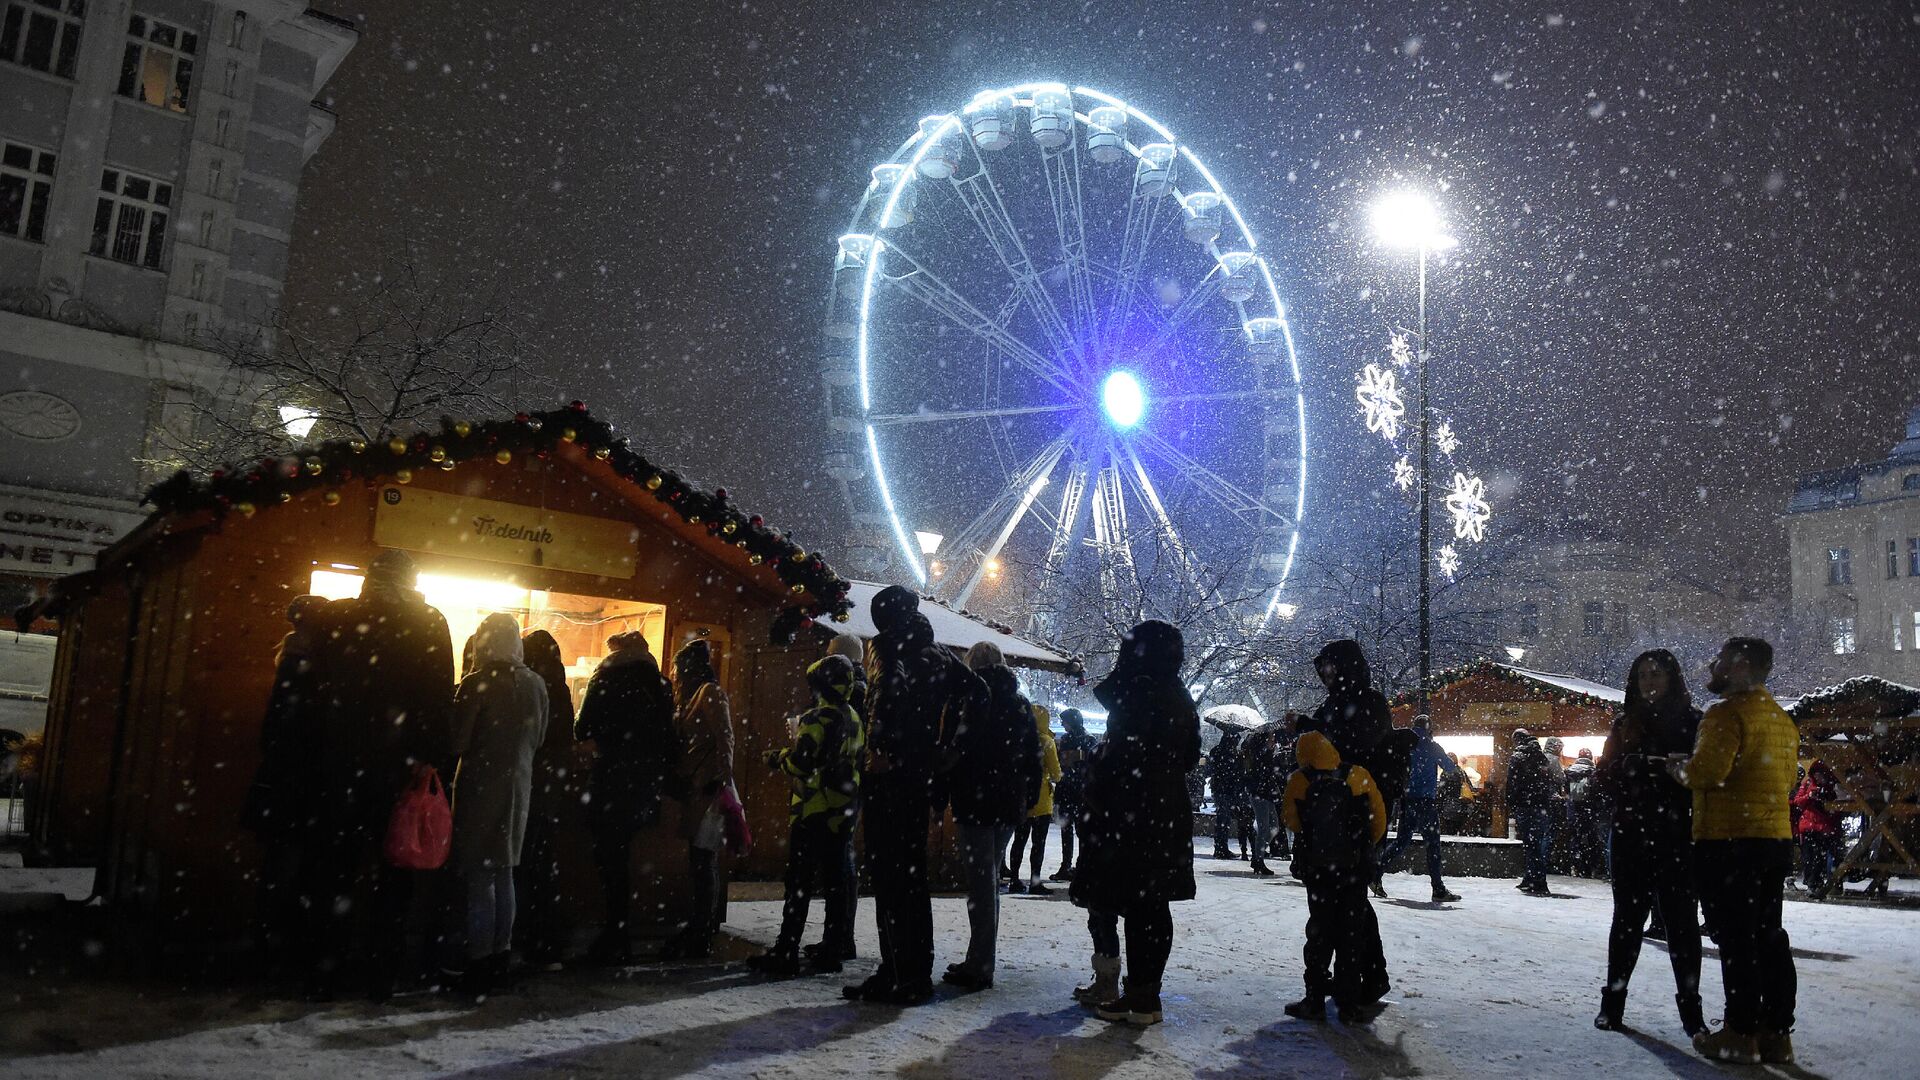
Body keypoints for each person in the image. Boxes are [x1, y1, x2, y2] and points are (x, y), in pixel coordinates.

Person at [306, 549, 455, 1001]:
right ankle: (382, 971)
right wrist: (429, 758)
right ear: (412, 579)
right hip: (401, 767)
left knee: (336, 867)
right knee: (397, 869)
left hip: (340, 761)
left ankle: (326, 969)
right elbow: (437, 695)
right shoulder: (428, 621)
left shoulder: (338, 617)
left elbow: (315, 689)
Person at [845, 589, 980, 1006]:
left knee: (889, 876)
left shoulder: (887, 645)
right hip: (919, 774)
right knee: (911, 877)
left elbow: (884, 693)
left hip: (891, 776)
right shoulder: (937, 651)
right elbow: (978, 693)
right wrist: (948, 747)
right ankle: (913, 970)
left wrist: (883, 748)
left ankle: (898, 973)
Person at [1671, 637, 1799, 1065]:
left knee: (1735, 939)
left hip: (1729, 840)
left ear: (1740, 666)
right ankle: (1776, 1032)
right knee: (1769, 936)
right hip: (1773, 838)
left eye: (1721, 659)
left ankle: (1739, 1033)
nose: (1713, 664)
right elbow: (1786, 782)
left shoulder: (1725, 714)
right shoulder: (1780, 718)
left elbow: (1709, 771)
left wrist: (1678, 768)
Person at [1070, 620, 1202, 1027]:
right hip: (1160, 813)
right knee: (1151, 904)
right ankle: (1144, 992)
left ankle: (1142, 997)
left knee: (1141, 904)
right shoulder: (1174, 694)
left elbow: (1124, 757)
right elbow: (1189, 755)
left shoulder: (1143, 693)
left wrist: (1099, 763)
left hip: (1134, 816)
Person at [1592, 648, 1704, 1037]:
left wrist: (1681, 773)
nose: (1649, 682)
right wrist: (1627, 767)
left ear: (1672, 678)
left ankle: (1692, 1011)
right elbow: (1601, 780)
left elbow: (1708, 778)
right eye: (1643, 676)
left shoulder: (1693, 722)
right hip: (1631, 834)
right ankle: (1613, 1003)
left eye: (1656, 674)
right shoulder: (1625, 725)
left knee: (1682, 923)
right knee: (1626, 920)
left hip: (1677, 835)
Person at [445, 613, 549, 996]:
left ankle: (478, 960)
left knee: (478, 877)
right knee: (505, 874)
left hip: (479, 788)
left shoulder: (478, 683)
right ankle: (501, 955)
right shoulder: (536, 684)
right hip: (519, 787)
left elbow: (458, 741)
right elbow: (538, 739)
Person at [752, 654, 865, 975]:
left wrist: (776, 758)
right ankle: (832, 948)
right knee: (836, 881)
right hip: (843, 812)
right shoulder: (854, 717)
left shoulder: (816, 718)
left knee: (799, 882)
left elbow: (803, 763)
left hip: (813, 809)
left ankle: (786, 949)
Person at [935, 641, 1035, 990]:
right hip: (1007, 802)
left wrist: (940, 793)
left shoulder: (971, 698)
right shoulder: (1020, 703)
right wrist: (1026, 798)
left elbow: (955, 749)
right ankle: (982, 958)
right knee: (989, 879)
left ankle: (979, 963)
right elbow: (1032, 756)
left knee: (981, 883)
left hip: (976, 799)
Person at [575, 629, 678, 963]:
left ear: (615, 649)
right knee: (626, 856)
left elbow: (583, 728)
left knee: (610, 859)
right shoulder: (661, 684)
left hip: (611, 780)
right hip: (645, 783)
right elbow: (668, 734)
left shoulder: (604, 678)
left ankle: (614, 932)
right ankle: (623, 931)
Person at [241, 595, 329, 978]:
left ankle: (269, 945)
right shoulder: (309, 665)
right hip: (300, 784)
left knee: (280, 865)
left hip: (280, 781)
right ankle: (280, 949)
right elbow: (299, 726)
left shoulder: (291, 658)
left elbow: (275, 729)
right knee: (294, 867)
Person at [1282, 730, 1390, 1023]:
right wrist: (1359, 849)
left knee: (1319, 932)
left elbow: (1291, 821)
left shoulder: (1299, 780)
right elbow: (1379, 820)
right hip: (1354, 871)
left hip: (1319, 871)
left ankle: (1314, 999)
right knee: (1351, 934)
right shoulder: (1358, 774)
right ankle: (1348, 1001)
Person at [664, 638, 736, 959]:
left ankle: (702, 931)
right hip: (696, 786)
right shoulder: (693, 695)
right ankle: (698, 927)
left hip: (708, 789)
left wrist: (719, 777)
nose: (677, 674)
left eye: (680, 668)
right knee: (699, 860)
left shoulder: (709, 693)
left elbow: (725, 736)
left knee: (704, 860)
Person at [515, 629, 577, 970]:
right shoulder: (558, 684)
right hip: (552, 787)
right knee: (543, 863)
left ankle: (531, 936)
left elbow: (533, 736)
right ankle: (547, 939)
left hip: (532, 782)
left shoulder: (531, 684)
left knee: (525, 864)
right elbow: (564, 736)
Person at [807, 632, 869, 967]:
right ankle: (840, 936)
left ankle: (838, 938)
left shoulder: (845, 693)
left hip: (838, 787)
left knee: (838, 862)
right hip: (852, 784)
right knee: (841, 860)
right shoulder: (862, 689)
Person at [1377, 716, 1464, 902]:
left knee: (1401, 841)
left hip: (1407, 799)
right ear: (1429, 727)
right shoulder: (1432, 745)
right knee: (1432, 844)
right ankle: (1438, 888)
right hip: (1426, 800)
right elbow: (1449, 767)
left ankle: (1375, 872)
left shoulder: (1405, 743)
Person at [1007, 702, 1062, 895]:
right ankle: (1034, 880)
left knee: (1019, 841)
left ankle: (1014, 878)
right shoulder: (1047, 741)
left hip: (1021, 797)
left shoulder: (1018, 737)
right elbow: (1055, 773)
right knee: (1039, 843)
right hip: (1042, 800)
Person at [1505, 729, 1555, 895]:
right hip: (1540, 805)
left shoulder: (1518, 757)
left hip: (1525, 805)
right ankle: (1531, 878)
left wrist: (1511, 801)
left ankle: (1538, 881)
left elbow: (1512, 783)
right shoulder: (1540, 757)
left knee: (1530, 844)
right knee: (1536, 843)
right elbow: (1548, 781)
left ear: (1517, 740)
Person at [1050, 708, 1096, 882]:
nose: (1062, 724)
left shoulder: (1080, 740)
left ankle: (1071, 865)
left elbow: (1068, 764)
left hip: (1072, 791)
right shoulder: (1086, 739)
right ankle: (1075, 865)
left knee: (1072, 831)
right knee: (1076, 830)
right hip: (1079, 792)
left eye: (1065, 721)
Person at [1792, 760, 1845, 897]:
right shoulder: (1808, 784)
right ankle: (1812, 883)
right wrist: (1809, 796)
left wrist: (1826, 800)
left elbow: (1837, 806)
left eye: (1821, 775)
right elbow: (1798, 801)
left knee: (1823, 856)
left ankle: (1821, 883)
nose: (1818, 778)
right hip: (1810, 826)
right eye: (1816, 775)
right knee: (1810, 856)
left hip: (1825, 827)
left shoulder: (1833, 787)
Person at [1241, 727, 1284, 876]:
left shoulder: (1262, 754)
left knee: (1272, 826)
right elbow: (1265, 774)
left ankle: (1258, 855)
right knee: (1266, 827)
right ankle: (1258, 858)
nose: (1274, 740)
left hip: (1264, 794)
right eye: (1272, 737)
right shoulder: (1262, 754)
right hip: (1260, 794)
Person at [1564, 747, 1605, 878]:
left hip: (1574, 809)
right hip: (1590, 810)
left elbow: (1566, 789)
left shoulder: (1569, 771)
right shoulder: (1594, 772)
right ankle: (1592, 867)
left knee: (1575, 838)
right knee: (1592, 838)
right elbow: (1598, 791)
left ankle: (1576, 866)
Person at [1208, 729, 1249, 859]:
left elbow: (1212, 768)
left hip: (1219, 789)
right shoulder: (1232, 754)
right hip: (1227, 789)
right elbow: (1235, 772)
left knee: (1223, 819)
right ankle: (1221, 848)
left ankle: (1220, 846)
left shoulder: (1216, 751)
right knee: (1224, 819)